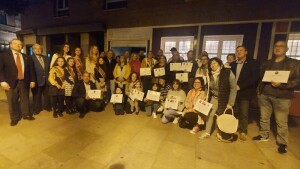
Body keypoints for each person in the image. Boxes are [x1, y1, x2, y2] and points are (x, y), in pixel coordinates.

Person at [253, 40, 300, 154]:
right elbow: (261, 78)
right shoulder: (267, 63)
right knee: (264, 117)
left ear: (286, 49)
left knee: (281, 121)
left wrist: (283, 84)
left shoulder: (294, 64)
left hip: (282, 97)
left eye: (281, 46)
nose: (278, 48)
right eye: (276, 46)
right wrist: (259, 92)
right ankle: (264, 135)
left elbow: (297, 81)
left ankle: (282, 143)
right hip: (265, 95)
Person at [200, 57, 237, 142]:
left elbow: (233, 88)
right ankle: (207, 132)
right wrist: (206, 95)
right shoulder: (209, 74)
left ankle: (220, 133)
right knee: (210, 114)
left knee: (221, 116)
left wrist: (230, 103)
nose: (212, 65)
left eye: (214, 63)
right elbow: (207, 86)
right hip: (213, 98)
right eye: (211, 64)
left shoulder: (227, 72)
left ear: (219, 63)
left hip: (224, 99)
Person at [0, 39, 36, 126]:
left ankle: (25, 114)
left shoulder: (27, 57)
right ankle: (14, 118)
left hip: (24, 82)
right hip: (10, 83)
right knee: (12, 101)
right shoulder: (3, 56)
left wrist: (32, 80)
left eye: (20, 44)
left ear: (22, 46)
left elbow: (31, 70)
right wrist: (2, 81)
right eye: (15, 43)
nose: (18, 45)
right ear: (11, 45)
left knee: (25, 99)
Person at [230, 46, 259, 141]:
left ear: (246, 52)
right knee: (235, 111)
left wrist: (240, 86)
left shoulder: (252, 63)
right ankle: (234, 128)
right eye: (237, 50)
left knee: (244, 112)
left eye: (241, 50)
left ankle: (243, 131)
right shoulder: (233, 64)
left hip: (245, 92)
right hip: (234, 92)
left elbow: (254, 78)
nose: (239, 52)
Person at [31, 43, 51, 115]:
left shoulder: (46, 58)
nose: (38, 49)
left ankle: (47, 106)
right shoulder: (30, 58)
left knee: (47, 95)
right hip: (36, 80)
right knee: (37, 96)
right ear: (33, 50)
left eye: (39, 48)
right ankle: (37, 109)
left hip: (46, 80)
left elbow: (49, 69)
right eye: (36, 48)